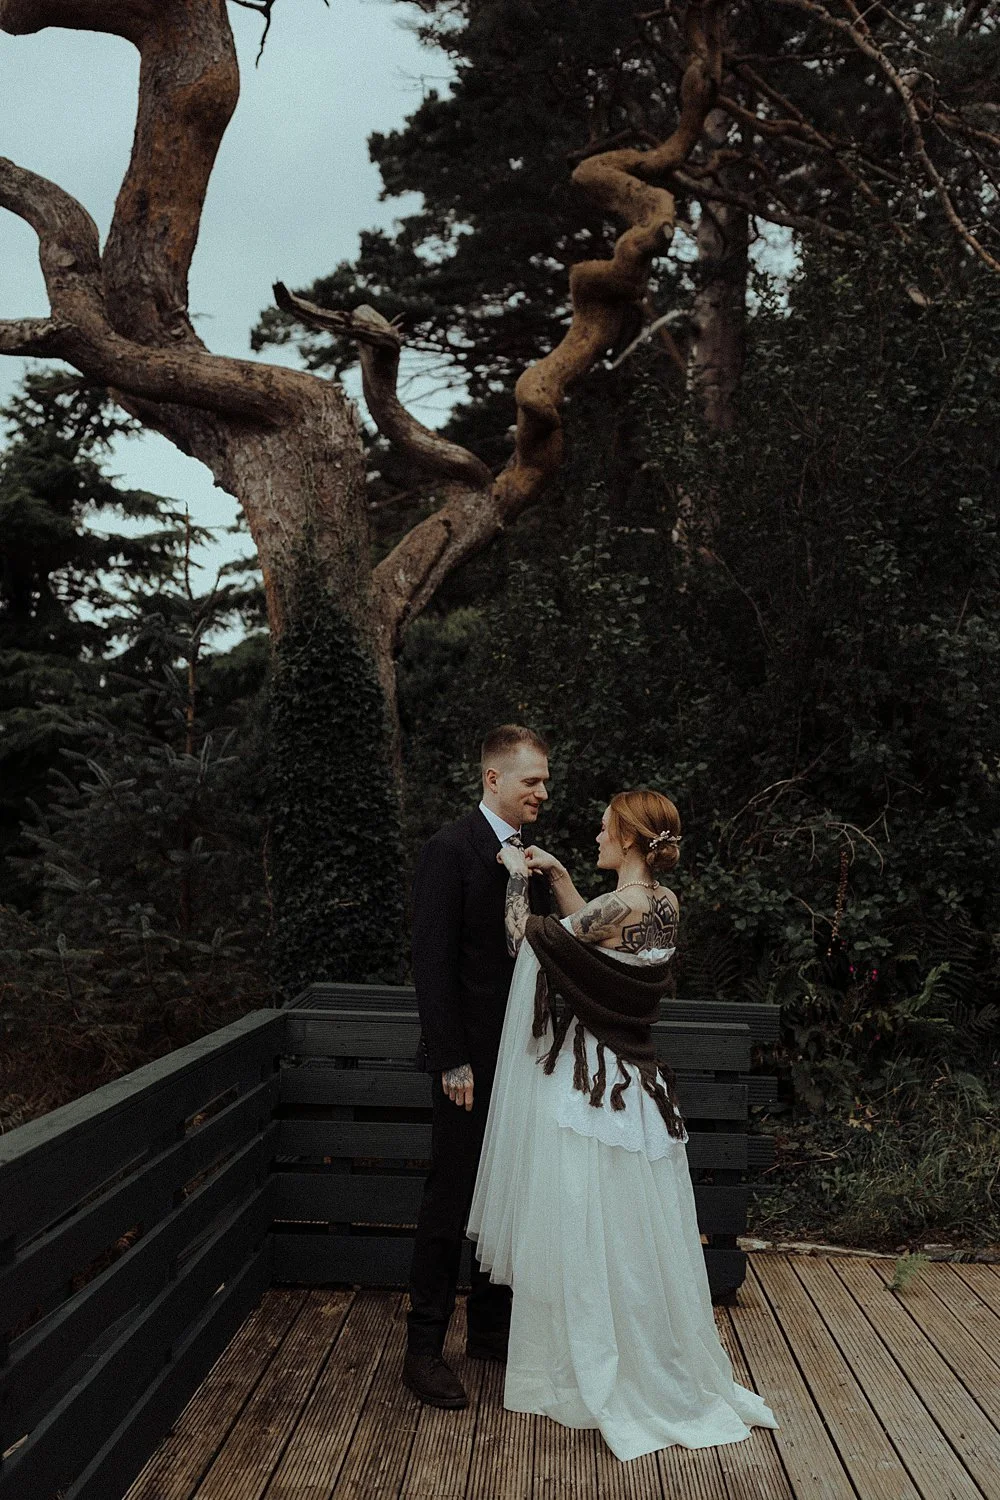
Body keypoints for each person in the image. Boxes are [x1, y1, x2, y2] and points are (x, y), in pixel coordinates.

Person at [467, 788, 780, 1462]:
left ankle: (583, 1368)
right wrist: (564, 880)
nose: (598, 836)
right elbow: (601, 940)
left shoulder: (620, 906)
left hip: (589, 1084)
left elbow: (530, 941)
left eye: (606, 830)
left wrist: (519, 882)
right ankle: (632, 1348)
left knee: (582, 1219)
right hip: (636, 1084)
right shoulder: (662, 904)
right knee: (627, 1224)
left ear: (632, 841)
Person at [402, 724, 553, 1410]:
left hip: (525, 1061)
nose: (542, 793)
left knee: (510, 1196)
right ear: (493, 779)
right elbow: (430, 966)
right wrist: (451, 1060)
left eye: (544, 782)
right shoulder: (449, 851)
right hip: (468, 1067)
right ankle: (423, 1351)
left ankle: (491, 1332)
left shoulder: (532, 857)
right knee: (451, 1197)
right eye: (532, 781)